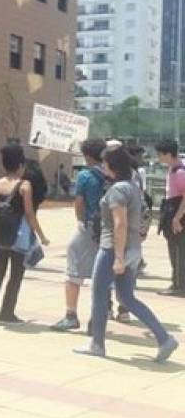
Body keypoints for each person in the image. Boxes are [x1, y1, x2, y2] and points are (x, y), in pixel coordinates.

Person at [74, 145, 179, 362]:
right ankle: (164, 338)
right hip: (129, 248)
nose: (102, 166)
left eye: (104, 163)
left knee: (100, 295)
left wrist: (118, 257)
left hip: (113, 248)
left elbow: (119, 224)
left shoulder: (118, 190)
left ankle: (97, 343)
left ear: (111, 165)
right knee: (127, 297)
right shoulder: (132, 186)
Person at [0, 144, 49, 325]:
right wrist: (41, 235)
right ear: (20, 165)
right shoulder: (24, 185)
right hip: (18, 236)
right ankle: (7, 313)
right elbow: (29, 213)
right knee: (16, 274)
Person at [51, 138, 107, 332]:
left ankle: (71, 315)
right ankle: (97, 319)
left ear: (88, 155)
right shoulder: (112, 173)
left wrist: (81, 221)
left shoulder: (85, 175)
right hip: (109, 229)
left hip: (89, 226)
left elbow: (79, 202)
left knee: (74, 270)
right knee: (102, 275)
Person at [155, 139, 185, 296]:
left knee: (178, 250)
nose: (158, 157)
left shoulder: (179, 172)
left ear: (167, 154)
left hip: (177, 213)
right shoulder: (174, 169)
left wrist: (177, 218)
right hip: (172, 209)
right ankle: (177, 282)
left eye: (160, 154)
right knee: (175, 249)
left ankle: (180, 285)